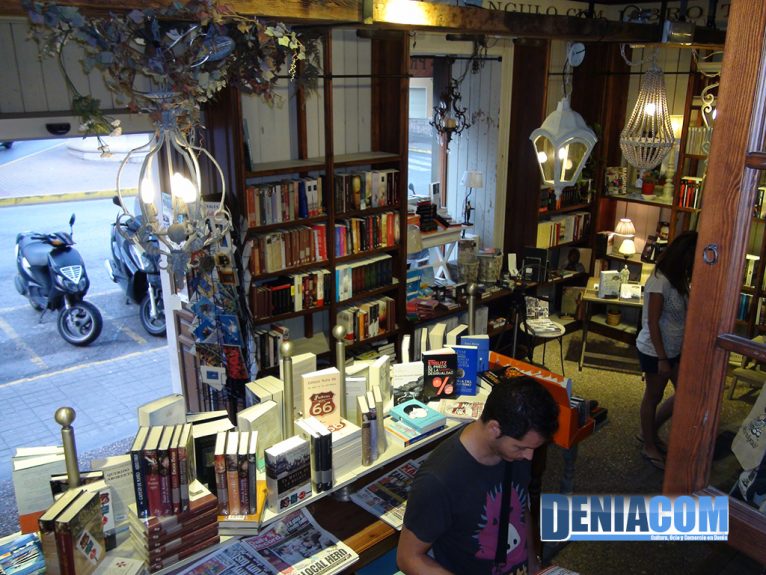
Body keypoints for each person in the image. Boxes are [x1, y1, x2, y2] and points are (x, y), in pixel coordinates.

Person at [397, 376, 559, 575]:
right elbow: (408, 558)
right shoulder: (438, 480)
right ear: (494, 428)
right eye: (521, 447)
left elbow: (520, 508)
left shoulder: (517, 453)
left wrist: (534, 562)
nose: (529, 456)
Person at [635, 230, 698, 470]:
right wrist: (662, 358)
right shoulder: (659, 281)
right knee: (653, 395)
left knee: (685, 394)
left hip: (674, 349)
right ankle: (649, 445)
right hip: (655, 350)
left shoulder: (679, 279)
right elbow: (652, 322)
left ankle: (648, 431)